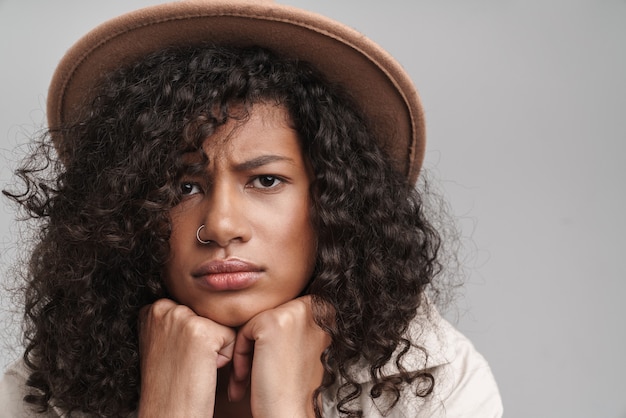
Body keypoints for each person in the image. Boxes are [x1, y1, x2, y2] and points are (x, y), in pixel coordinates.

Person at [0, 0, 503, 416]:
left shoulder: (430, 384)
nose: (220, 226)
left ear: (334, 200)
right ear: (124, 212)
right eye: (182, 188)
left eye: (266, 180)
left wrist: (287, 407)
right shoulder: (46, 389)